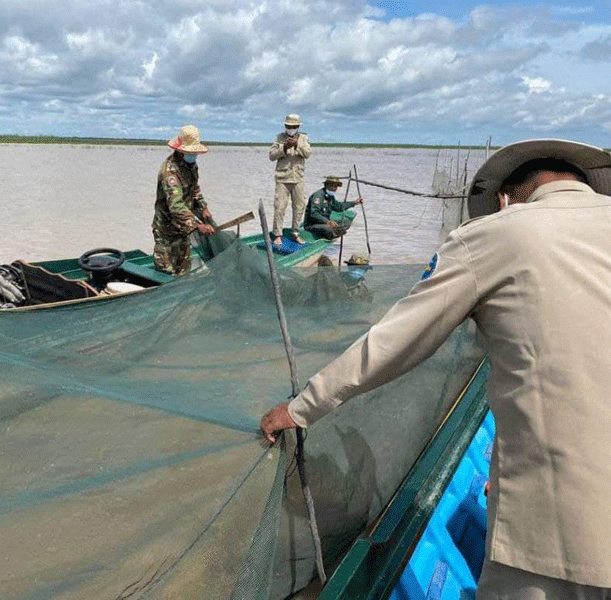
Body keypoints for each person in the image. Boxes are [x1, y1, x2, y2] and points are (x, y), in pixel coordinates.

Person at [261, 138, 611, 599]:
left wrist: (302, 406)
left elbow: (394, 342)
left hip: (565, 529)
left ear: (504, 199)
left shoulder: (497, 234)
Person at [152, 125, 216, 276]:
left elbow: (194, 189)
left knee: (184, 272)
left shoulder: (191, 166)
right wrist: (197, 226)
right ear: (180, 151)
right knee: (166, 274)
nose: (194, 156)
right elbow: (176, 206)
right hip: (166, 232)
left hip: (183, 230)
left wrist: (203, 207)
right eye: (191, 152)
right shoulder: (170, 171)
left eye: (195, 153)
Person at [269, 113, 311, 246]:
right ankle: (278, 235)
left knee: (299, 206)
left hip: (298, 177)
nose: (291, 129)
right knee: (279, 207)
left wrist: (297, 145)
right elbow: (271, 156)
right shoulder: (279, 138)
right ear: (285, 126)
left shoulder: (303, 138)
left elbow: (307, 153)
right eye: (288, 126)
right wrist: (284, 147)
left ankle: (295, 233)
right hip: (282, 178)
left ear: (298, 126)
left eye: (294, 126)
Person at [303, 176, 364, 240]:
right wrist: (327, 222)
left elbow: (339, 207)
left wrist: (354, 203)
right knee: (329, 229)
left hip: (324, 223)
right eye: (332, 186)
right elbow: (314, 214)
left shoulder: (330, 196)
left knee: (346, 223)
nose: (334, 188)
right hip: (313, 224)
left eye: (336, 186)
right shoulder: (318, 196)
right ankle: (328, 235)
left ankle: (331, 234)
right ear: (326, 185)